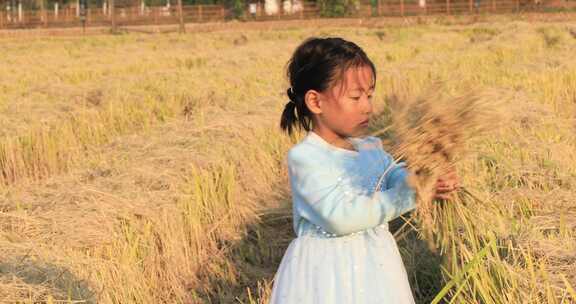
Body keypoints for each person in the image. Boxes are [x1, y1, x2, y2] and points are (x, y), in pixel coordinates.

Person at [270, 37, 459, 303]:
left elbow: (394, 174)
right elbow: (339, 217)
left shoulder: (370, 147)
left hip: (376, 266)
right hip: (327, 276)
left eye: (369, 96)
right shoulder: (306, 158)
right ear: (316, 102)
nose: (368, 106)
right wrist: (411, 195)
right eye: (356, 97)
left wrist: (425, 179)